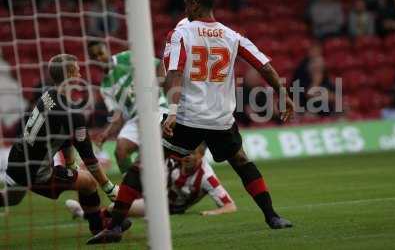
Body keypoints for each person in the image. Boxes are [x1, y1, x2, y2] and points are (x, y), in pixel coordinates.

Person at [87, 0, 294, 245]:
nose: (185, 6)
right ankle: (272, 216)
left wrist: (171, 111)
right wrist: (282, 93)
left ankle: (115, 226)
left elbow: (173, 73)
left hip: (187, 117)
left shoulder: (181, 33)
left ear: (195, 4)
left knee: (144, 163)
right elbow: (263, 65)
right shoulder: (232, 36)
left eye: (187, 2)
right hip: (220, 120)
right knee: (241, 161)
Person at [0, 54, 125, 236]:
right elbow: (89, 158)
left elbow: (62, 135)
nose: (81, 74)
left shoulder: (47, 95)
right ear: (71, 74)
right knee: (89, 183)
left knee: (9, 199)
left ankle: (98, 222)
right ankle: (99, 227)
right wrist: (109, 187)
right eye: (78, 69)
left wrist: (70, 163)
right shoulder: (72, 113)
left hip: (18, 159)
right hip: (38, 172)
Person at [65, 145, 236, 218]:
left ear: (202, 155)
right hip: (153, 194)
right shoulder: (176, 157)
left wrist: (213, 213)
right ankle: (90, 213)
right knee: (122, 195)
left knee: (116, 206)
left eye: (193, 154)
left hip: (164, 208)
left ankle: (84, 213)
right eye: (187, 153)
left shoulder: (207, 177)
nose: (188, 157)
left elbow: (230, 206)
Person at [87, 41, 168, 174]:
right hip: (135, 119)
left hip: (155, 109)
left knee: (150, 152)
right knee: (120, 151)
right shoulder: (105, 86)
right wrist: (106, 133)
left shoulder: (126, 57)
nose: (98, 58)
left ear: (107, 50)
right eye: (94, 56)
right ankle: (131, 187)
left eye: (100, 53)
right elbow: (117, 116)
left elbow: (159, 64)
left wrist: (156, 89)